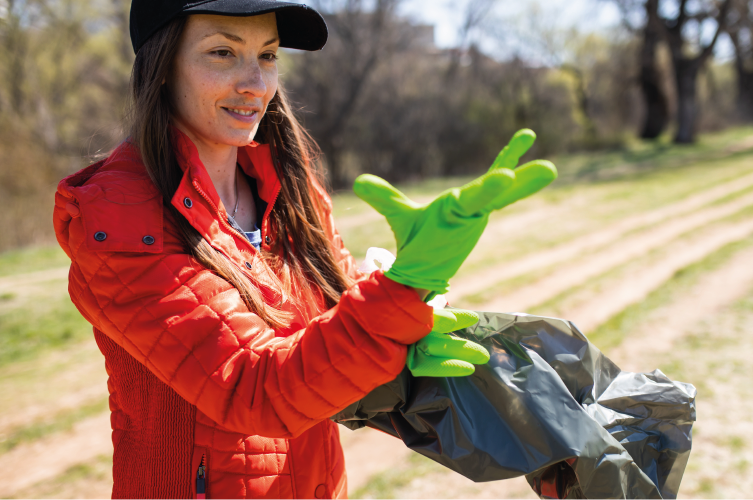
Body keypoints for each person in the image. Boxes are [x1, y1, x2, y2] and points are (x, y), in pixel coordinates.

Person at [53, 0, 556, 498]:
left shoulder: (289, 188)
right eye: (222, 53)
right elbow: (255, 389)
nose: (256, 83)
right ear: (162, 67)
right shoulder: (117, 220)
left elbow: (333, 330)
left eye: (268, 55)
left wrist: (404, 302)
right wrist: (402, 291)